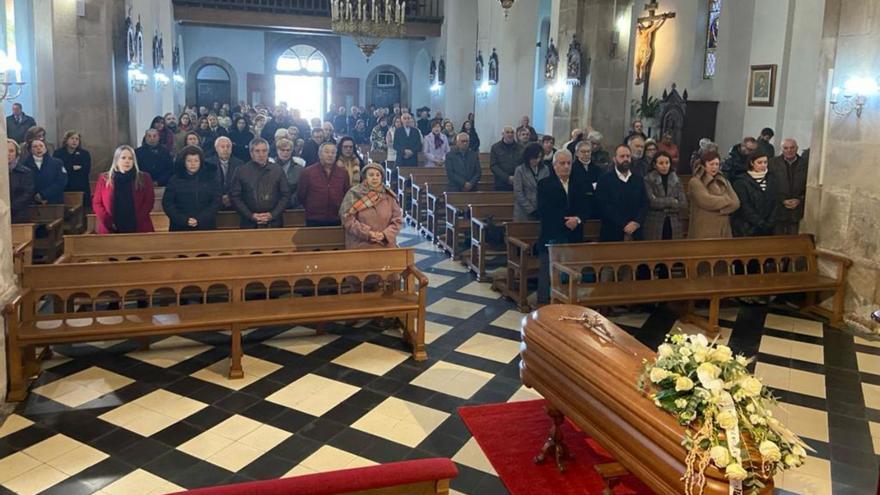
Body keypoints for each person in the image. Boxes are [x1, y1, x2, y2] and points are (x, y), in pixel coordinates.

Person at [536, 150, 589, 304]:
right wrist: (565, 221)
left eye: (568, 163)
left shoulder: (579, 183)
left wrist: (577, 219)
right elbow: (544, 210)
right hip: (552, 233)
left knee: (572, 270)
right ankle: (544, 303)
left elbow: (587, 208)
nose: (566, 167)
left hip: (574, 233)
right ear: (554, 166)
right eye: (562, 163)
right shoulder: (545, 184)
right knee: (548, 270)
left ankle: (569, 301)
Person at [229, 138, 291, 228]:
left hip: (274, 222)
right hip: (249, 223)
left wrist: (272, 214)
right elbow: (235, 197)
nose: (261, 154)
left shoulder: (277, 170)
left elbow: (286, 195)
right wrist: (250, 215)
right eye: (257, 151)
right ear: (251, 153)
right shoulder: (241, 171)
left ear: (268, 152)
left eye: (264, 151)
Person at [92, 145, 155, 234]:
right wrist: (108, 222)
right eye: (123, 158)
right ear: (116, 160)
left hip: (139, 227)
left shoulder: (144, 178)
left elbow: (149, 202)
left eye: (130, 158)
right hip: (110, 228)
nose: (127, 161)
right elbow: (97, 203)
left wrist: (135, 221)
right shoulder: (104, 178)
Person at [339, 162, 403, 249]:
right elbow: (347, 219)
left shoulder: (389, 196)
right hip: (360, 243)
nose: (375, 178)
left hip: (385, 244)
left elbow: (397, 220)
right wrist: (368, 233)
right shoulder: (354, 193)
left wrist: (384, 235)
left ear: (381, 177)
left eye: (378, 175)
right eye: (371, 175)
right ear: (365, 177)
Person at [595, 144, 649, 242]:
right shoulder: (604, 180)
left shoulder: (638, 179)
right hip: (611, 232)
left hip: (636, 231)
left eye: (628, 156)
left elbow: (644, 203)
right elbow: (604, 206)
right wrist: (624, 224)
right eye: (622, 156)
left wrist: (636, 222)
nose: (626, 159)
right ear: (615, 159)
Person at [163, 145, 221, 231]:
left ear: (201, 162)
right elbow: (168, 204)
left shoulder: (210, 178)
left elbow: (216, 202)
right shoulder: (175, 180)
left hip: (206, 225)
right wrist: (184, 220)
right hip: (180, 226)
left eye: (196, 161)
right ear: (184, 162)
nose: (193, 164)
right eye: (189, 161)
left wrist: (200, 219)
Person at [688, 150, 740, 239]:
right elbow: (706, 201)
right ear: (704, 165)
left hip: (724, 227)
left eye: (717, 164)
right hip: (704, 227)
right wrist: (726, 200)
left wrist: (720, 208)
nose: (714, 167)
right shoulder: (695, 182)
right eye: (711, 164)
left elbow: (736, 203)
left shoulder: (724, 181)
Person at [298, 142, 350, 226]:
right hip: (314, 218)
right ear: (319, 154)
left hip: (336, 217)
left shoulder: (343, 173)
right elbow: (301, 195)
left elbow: (346, 194)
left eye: (333, 152)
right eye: (326, 152)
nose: (330, 155)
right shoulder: (308, 172)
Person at [643, 151, 688, 240]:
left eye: (667, 163)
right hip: (655, 222)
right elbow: (652, 202)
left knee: (672, 251)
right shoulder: (648, 179)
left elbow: (683, 203)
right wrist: (672, 201)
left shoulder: (676, 180)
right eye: (661, 163)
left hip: (674, 222)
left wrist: (662, 202)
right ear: (655, 165)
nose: (664, 166)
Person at [732, 150, 777, 237]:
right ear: (752, 163)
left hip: (769, 226)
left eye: (765, 162)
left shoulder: (772, 178)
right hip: (748, 227)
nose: (763, 165)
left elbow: (775, 201)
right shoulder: (741, 181)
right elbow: (745, 206)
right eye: (759, 162)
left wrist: (771, 221)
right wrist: (759, 222)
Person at [768, 138, 807, 235]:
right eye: (786, 148)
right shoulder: (772, 163)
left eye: (792, 148)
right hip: (778, 209)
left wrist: (800, 200)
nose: (789, 150)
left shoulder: (806, 164)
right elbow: (769, 185)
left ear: (797, 148)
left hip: (797, 210)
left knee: (793, 240)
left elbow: (808, 186)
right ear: (782, 149)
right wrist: (781, 200)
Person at [53, 130, 92, 210]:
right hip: (64, 186)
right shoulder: (58, 153)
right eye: (72, 138)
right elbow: (58, 170)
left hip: (80, 186)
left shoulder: (84, 153)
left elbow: (86, 170)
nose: (74, 141)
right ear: (66, 140)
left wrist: (67, 168)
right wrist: (72, 168)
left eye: (77, 139)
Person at [23, 139, 67, 205]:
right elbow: (24, 184)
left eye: (41, 146)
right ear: (30, 150)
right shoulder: (24, 164)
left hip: (54, 201)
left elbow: (61, 181)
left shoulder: (57, 163)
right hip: (32, 203)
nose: (38, 148)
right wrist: (35, 196)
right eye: (35, 146)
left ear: (46, 148)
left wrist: (43, 194)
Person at [514, 143, 549, 221]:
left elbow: (548, 190)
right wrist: (531, 210)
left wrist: (543, 207)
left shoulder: (545, 169)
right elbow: (518, 192)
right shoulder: (520, 170)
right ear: (528, 157)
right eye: (535, 158)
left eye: (540, 157)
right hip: (523, 212)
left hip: (541, 209)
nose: (537, 160)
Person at [208, 136, 244, 210]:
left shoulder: (239, 163)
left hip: (234, 201)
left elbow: (240, 185)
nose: (225, 149)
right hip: (213, 201)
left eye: (228, 147)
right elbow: (208, 185)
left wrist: (229, 197)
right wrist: (220, 198)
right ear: (216, 149)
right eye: (222, 147)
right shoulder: (208, 163)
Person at [568, 141, 602, 214]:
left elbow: (601, 185)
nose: (586, 154)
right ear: (577, 153)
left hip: (594, 205)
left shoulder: (597, 169)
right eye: (583, 152)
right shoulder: (572, 169)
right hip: (578, 204)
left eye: (588, 151)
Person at [7, 139, 34, 223]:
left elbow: (28, 193)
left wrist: (10, 207)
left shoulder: (25, 172)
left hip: (19, 215)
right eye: (3, 150)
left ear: (17, 153)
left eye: (11, 151)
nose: (7, 154)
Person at [273, 138, 304, 208]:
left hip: (293, 205)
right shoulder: (270, 167)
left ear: (292, 151)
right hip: (273, 205)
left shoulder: (299, 169)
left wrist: (289, 202)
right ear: (277, 150)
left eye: (288, 150)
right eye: (282, 150)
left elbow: (300, 189)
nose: (285, 152)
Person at [490, 126, 522, 191]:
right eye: (507, 132)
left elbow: (523, 164)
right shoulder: (495, 147)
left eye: (512, 132)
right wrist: (507, 178)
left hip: (518, 182)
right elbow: (493, 166)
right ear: (503, 134)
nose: (510, 134)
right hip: (501, 183)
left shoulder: (521, 148)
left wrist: (516, 177)